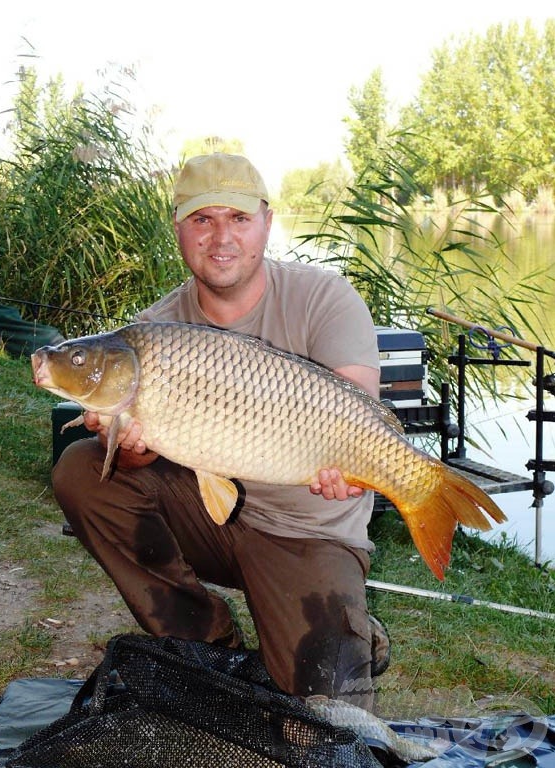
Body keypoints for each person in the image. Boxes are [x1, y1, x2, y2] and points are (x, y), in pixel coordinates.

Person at [52, 152, 389, 711]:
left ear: (266, 223)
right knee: (84, 468)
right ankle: (207, 644)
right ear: (180, 230)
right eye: (201, 220)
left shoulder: (325, 297)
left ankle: (356, 630)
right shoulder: (153, 332)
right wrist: (130, 448)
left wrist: (355, 467)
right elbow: (138, 470)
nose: (220, 237)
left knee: (327, 720)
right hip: (208, 515)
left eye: (237, 218)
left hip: (307, 531)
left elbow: (358, 410)